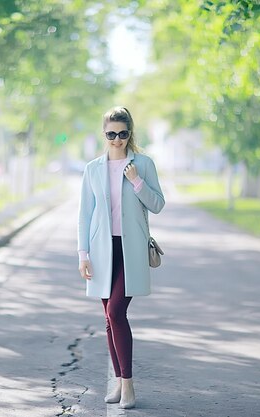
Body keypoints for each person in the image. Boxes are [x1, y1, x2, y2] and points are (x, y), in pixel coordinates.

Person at [77, 106, 165, 409]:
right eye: (111, 134)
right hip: (102, 251)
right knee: (107, 319)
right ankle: (118, 383)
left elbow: (157, 205)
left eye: (122, 134)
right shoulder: (93, 169)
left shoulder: (142, 163)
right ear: (104, 134)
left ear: (130, 133)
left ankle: (128, 385)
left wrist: (137, 180)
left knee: (116, 312)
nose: (117, 140)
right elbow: (84, 215)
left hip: (132, 249)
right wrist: (83, 254)